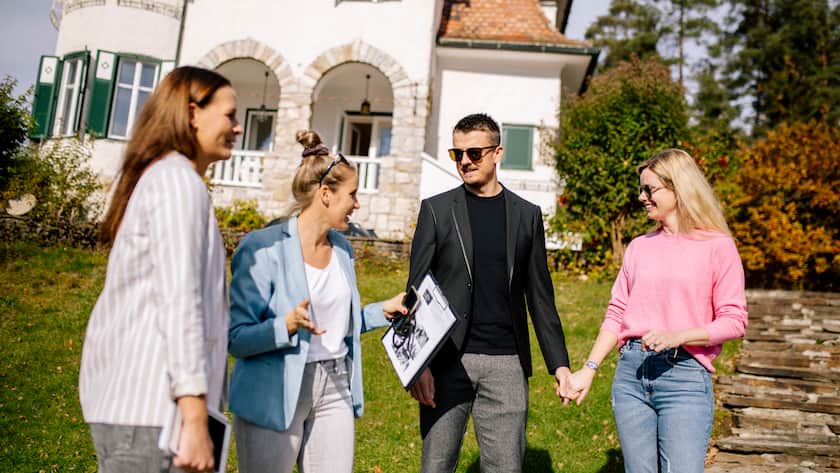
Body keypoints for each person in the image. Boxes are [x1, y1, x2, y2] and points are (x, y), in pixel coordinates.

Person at [79, 66, 242, 473]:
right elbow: (179, 300)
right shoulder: (176, 183)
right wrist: (194, 417)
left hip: (147, 413)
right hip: (153, 413)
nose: (238, 128)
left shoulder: (170, 180)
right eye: (230, 115)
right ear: (192, 114)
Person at [227, 130, 407, 473]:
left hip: (335, 383)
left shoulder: (342, 249)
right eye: (352, 195)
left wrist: (380, 310)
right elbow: (236, 338)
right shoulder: (263, 248)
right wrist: (285, 326)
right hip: (275, 390)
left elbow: (335, 321)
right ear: (326, 194)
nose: (357, 204)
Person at [406, 113, 574, 473]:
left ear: (497, 152)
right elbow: (416, 292)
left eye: (475, 153)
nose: (465, 161)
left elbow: (540, 296)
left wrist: (559, 364)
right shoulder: (436, 211)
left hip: (507, 363)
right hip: (447, 359)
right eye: (457, 153)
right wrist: (419, 366)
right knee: (436, 465)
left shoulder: (527, 216)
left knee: (506, 467)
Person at [568, 149, 749, 473]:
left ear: (677, 187)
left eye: (649, 189)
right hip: (631, 375)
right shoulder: (639, 247)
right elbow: (617, 312)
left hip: (684, 377)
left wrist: (680, 335)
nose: (641, 197)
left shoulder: (718, 246)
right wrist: (590, 368)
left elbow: (734, 321)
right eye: (642, 189)